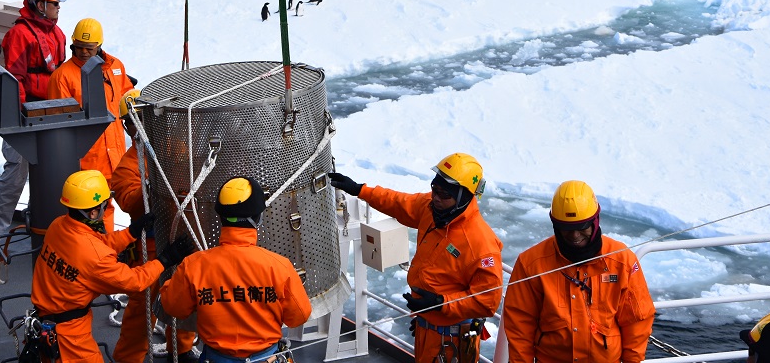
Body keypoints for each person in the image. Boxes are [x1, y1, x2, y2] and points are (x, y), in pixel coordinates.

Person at [329, 153, 503, 363]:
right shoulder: (430, 209)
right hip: (426, 327)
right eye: (434, 189)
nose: (436, 197)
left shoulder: (481, 244)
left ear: (463, 197)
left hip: (453, 340)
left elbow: (487, 301)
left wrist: (440, 303)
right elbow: (398, 202)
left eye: (444, 194)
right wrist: (360, 190)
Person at [31, 170, 194, 363]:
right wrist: (165, 260)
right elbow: (135, 281)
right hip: (69, 336)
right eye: (104, 206)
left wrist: (131, 232)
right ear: (93, 212)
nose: (107, 208)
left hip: (47, 321)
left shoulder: (58, 226)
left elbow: (95, 246)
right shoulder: (95, 258)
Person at [160, 176, 312, 363]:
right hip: (267, 358)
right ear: (258, 217)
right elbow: (299, 316)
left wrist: (170, 284)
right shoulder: (280, 267)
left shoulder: (194, 265)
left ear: (221, 217)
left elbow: (173, 306)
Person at [502, 180, 655, 363]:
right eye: (566, 229)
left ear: (595, 222)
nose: (574, 235)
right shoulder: (530, 264)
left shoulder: (622, 260)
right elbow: (520, 325)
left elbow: (637, 320)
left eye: (581, 227)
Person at [111, 90, 198, 363]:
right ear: (127, 125)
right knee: (142, 308)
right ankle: (128, 358)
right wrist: (154, 187)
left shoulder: (177, 147)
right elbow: (128, 200)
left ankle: (181, 349)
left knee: (184, 295)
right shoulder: (128, 165)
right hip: (151, 244)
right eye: (133, 120)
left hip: (182, 237)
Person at [0, 0, 68, 258]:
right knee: (15, 174)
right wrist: (17, 118)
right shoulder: (20, 34)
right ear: (41, 4)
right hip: (23, 116)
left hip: (48, 115)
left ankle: (40, 225)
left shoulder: (57, 34)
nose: (58, 8)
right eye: (55, 3)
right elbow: (14, 78)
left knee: (47, 174)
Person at [48, 17, 134, 231]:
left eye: (89, 48)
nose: (84, 53)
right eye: (79, 48)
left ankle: (106, 252)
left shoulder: (115, 67)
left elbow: (126, 99)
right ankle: (96, 254)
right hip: (87, 160)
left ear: (99, 46)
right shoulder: (62, 77)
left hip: (115, 157)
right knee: (92, 212)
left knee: (110, 207)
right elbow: (60, 125)